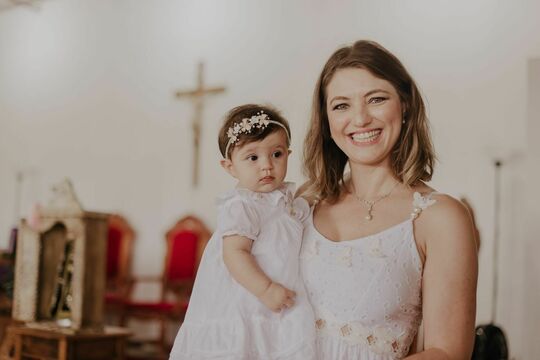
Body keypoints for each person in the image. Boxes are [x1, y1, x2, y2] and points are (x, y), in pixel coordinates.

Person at [298, 40, 478, 359]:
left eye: (376, 99)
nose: (361, 119)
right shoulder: (305, 202)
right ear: (326, 121)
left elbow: (447, 352)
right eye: (341, 105)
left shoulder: (439, 217)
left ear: (405, 105)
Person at [169, 104, 316, 360]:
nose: (267, 166)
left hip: (281, 301)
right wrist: (266, 289)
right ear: (230, 166)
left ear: (288, 154)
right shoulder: (243, 205)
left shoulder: (286, 201)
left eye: (277, 154)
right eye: (253, 157)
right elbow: (235, 253)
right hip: (249, 300)